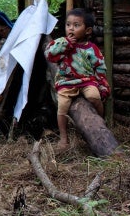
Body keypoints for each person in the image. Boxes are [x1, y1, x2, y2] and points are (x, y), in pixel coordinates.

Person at [44, 8, 109, 152]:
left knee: (94, 97)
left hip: (87, 81)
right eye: (68, 25)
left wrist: (103, 85)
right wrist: (66, 44)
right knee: (62, 107)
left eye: (76, 25)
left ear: (88, 30)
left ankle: (100, 122)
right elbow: (49, 54)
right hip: (66, 82)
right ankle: (64, 138)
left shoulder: (92, 48)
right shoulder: (61, 43)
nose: (71, 28)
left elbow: (100, 67)